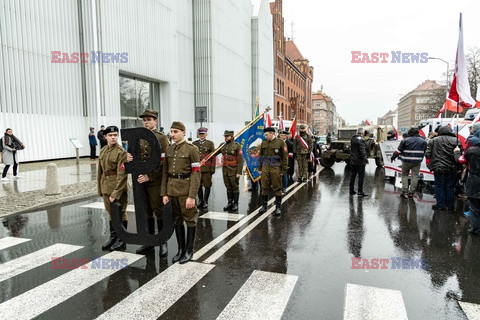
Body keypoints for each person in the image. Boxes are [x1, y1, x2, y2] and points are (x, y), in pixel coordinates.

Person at [126, 109, 170, 256]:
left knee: (158, 210)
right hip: (140, 181)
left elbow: (163, 163)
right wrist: (128, 157)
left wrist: (150, 176)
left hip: (155, 181)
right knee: (146, 211)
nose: (146, 122)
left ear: (155, 121)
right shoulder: (139, 137)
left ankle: (162, 241)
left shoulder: (161, 138)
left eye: (149, 120)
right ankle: (149, 242)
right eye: (144, 120)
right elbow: (134, 156)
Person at [161, 121, 201, 264]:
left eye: (175, 132)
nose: (172, 135)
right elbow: (165, 172)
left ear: (183, 132)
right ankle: (180, 249)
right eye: (171, 131)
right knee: (177, 220)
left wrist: (192, 196)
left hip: (185, 189)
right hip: (172, 189)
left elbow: (196, 174)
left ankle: (189, 250)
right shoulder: (170, 149)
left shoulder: (192, 149)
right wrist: (164, 193)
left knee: (189, 219)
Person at [97, 126, 128, 251]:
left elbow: (122, 174)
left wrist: (116, 193)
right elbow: (100, 172)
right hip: (106, 186)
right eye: (110, 135)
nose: (113, 137)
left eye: (115, 135)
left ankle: (122, 239)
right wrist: (100, 189)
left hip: (118, 188)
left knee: (121, 213)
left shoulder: (121, 152)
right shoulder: (103, 150)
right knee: (111, 213)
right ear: (105, 137)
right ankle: (113, 237)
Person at [425, 125, 461, 211]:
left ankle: (440, 205)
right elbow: (459, 155)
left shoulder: (433, 141)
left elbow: (428, 154)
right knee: (450, 187)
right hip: (452, 167)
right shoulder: (456, 140)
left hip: (438, 167)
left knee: (439, 186)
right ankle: (449, 205)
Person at [454, 133, 480, 237]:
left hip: (475, 181)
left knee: (475, 207)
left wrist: (456, 153)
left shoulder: (472, 151)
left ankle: (475, 229)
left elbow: (461, 160)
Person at [258, 127, 288, 216]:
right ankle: (264, 206)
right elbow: (261, 157)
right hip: (265, 167)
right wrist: (260, 168)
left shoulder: (280, 143)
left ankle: (278, 207)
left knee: (277, 187)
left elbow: (284, 157)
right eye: (265, 135)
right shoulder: (263, 143)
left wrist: (283, 170)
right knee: (264, 187)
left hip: (276, 168)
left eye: (267, 135)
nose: (265, 136)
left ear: (272, 133)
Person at [391, 127, 427, 198]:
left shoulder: (405, 141)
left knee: (404, 175)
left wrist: (393, 157)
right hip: (417, 161)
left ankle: (404, 190)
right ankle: (411, 192)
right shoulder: (423, 141)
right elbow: (424, 151)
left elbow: (398, 151)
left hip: (406, 161)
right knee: (415, 176)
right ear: (417, 133)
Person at [219, 130, 243, 212]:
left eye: (227, 136)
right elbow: (214, 153)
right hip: (225, 170)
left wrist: (239, 172)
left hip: (233, 170)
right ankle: (230, 202)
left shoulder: (237, 146)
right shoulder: (222, 145)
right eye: (225, 136)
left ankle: (236, 203)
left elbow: (240, 160)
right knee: (228, 187)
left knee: (234, 187)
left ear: (232, 137)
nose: (226, 138)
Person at [193, 127, 216, 209]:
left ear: (206, 134)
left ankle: (205, 201)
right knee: (198, 185)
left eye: (203, 134)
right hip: (197, 169)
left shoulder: (210, 143)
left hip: (207, 169)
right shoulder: (194, 143)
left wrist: (212, 169)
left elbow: (213, 157)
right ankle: (200, 200)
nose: (201, 135)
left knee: (207, 185)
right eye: (200, 134)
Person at [349, 128, 368, 197]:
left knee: (352, 176)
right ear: (362, 133)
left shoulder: (353, 138)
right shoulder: (361, 140)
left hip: (353, 160)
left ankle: (351, 190)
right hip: (360, 161)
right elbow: (362, 151)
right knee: (361, 176)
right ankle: (360, 191)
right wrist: (365, 159)